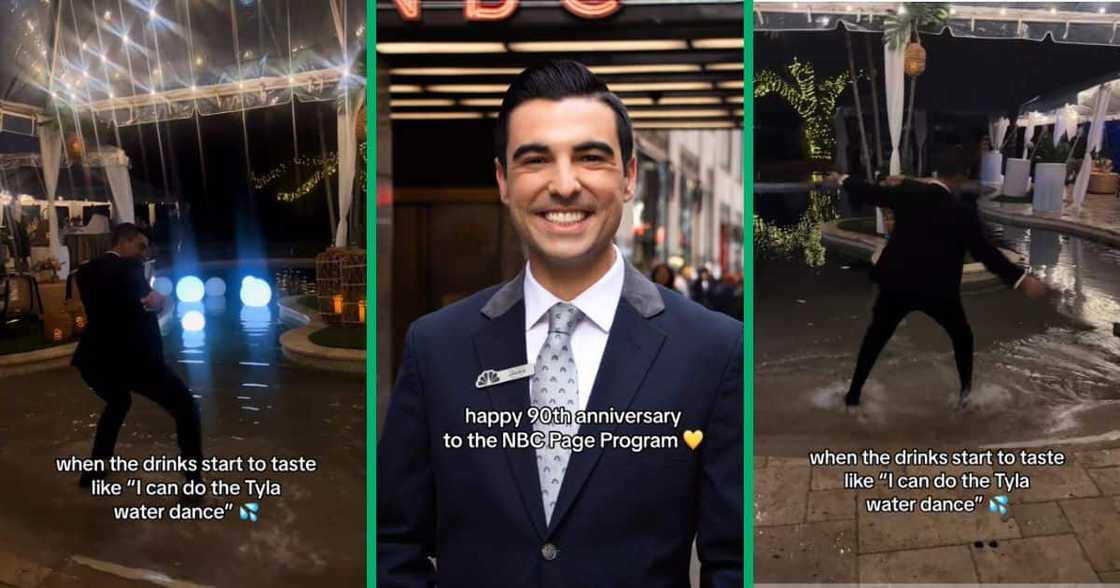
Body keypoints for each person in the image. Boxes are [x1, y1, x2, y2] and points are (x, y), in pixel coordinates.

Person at [378, 61, 742, 588]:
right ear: (504, 180)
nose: (565, 185)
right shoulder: (436, 346)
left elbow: (732, 562)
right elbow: (392, 544)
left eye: (591, 158)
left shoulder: (713, 350)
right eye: (535, 160)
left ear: (629, 177)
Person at [821, 166, 1045, 411]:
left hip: (897, 285)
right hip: (938, 291)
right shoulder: (963, 212)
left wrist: (842, 179)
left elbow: (869, 192)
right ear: (952, 183)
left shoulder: (908, 192)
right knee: (962, 336)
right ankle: (965, 395)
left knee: (876, 337)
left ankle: (853, 396)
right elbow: (986, 253)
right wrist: (1022, 280)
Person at [71, 223, 202, 487]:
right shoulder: (129, 268)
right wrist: (162, 301)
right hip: (135, 362)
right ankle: (193, 482)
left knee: (119, 403)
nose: (144, 253)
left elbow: (117, 305)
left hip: (95, 361)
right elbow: (153, 301)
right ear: (123, 241)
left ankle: (95, 471)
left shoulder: (85, 271)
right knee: (187, 410)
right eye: (140, 246)